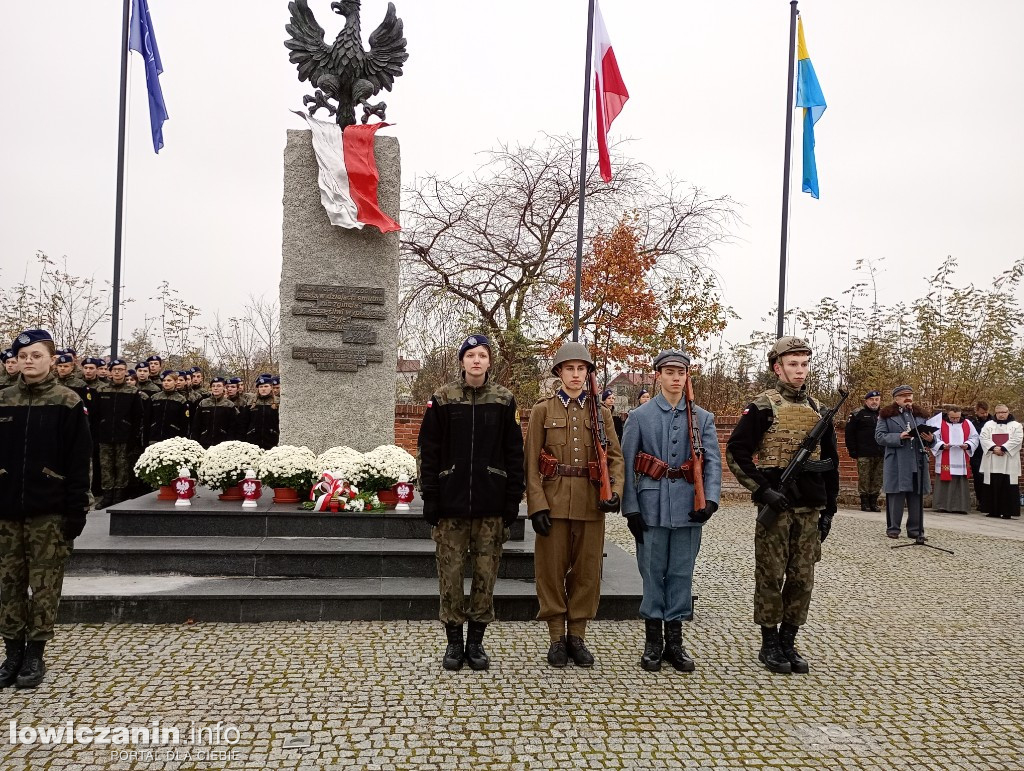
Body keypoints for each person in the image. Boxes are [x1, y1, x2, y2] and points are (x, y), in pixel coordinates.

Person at [726, 336, 839, 675]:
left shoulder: (819, 410)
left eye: (804, 364)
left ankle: (790, 640)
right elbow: (737, 453)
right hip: (777, 508)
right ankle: (769, 642)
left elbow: (831, 462)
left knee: (802, 579)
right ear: (778, 367)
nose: (799, 371)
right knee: (771, 576)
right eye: (792, 364)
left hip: (810, 508)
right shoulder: (763, 406)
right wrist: (763, 491)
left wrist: (829, 510)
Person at [416, 335, 525, 671]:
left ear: (490, 362)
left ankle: (476, 643)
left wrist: (512, 501)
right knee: (449, 576)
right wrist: (430, 496)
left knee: (485, 576)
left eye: (482, 355)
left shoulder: (505, 401)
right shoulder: (443, 399)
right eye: (470, 355)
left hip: (491, 506)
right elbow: (428, 451)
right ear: (462, 361)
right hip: (451, 506)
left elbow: (514, 455)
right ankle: (453, 644)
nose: (476, 361)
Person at [0, 329, 92, 689]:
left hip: (48, 512)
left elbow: (80, 459)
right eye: (23, 356)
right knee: (8, 584)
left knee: (44, 585)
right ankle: (12, 654)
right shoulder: (3, 400)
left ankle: (35, 655)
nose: (28, 361)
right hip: (6, 511)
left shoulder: (67, 401)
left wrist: (76, 510)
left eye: (36, 355)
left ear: (52, 360)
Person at [621, 350, 721, 672]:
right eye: (669, 372)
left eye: (681, 372)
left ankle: (674, 644)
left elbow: (713, 464)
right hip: (650, 506)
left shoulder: (702, 418)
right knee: (651, 573)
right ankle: (653, 642)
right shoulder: (639, 417)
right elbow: (625, 464)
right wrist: (630, 508)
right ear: (658, 375)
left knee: (681, 573)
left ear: (687, 377)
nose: (676, 377)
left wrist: (711, 502)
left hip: (689, 506)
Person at [525, 341, 624, 668]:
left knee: (586, 572)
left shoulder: (602, 412)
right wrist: (536, 504)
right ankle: (556, 637)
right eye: (570, 368)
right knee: (551, 571)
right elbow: (531, 463)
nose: (576, 374)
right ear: (559, 372)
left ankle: (577, 635)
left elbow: (615, 458)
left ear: (589, 373)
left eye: (582, 369)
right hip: (553, 501)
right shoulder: (543, 410)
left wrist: (615, 493)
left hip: (590, 502)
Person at [875, 385, 936, 540]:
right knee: (896, 495)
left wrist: (931, 439)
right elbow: (880, 437)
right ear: (896, 399)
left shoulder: (921, 415)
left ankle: (915, 530)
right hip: (897, 461)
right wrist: (898, 437)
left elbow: (931, 438)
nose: (908, 398)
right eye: (903, 396)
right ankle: (893, 529)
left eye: (910, 395)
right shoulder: (886, 415)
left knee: (916, 496)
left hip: (917, 461)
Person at [92, 359, 144, 508]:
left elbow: (137, 416)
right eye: (114, 369)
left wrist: (133, 437)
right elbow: (95, 415)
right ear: (110, 371)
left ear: (125, 371)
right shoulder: (101, 390)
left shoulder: (132, 391)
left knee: (122, 466)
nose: (117, 372)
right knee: (106, 466)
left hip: (124, 435)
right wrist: (97, 432)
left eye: (121, 369)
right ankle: (107, 496)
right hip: (105, 435)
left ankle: (119, 496)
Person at [926, 406, 979, 514]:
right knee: (944, 481)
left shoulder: (967, 423)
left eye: (957, 417)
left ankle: (961, 506)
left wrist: (968, 445)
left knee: (960, 482)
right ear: (948, 415)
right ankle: (942, 505)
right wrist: (941, 445)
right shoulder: (940, 423)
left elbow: (975, 437)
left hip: (961, 456)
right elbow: (934, 437)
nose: (955, 420)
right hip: (946, 454)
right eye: (952, 417)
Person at [978, 404, 1022, 519]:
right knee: (992, 484)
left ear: (1008, 412)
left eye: (1004, 412)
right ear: (995, 413)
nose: (1001, 415)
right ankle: (993, 511)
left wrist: (1003, 448)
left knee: (1008, 485)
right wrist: (994, 448)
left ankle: (1007, 511)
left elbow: (1017, 440)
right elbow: (983, 438)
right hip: (992, 459)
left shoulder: (1016, 425)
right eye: (999, 413)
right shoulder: (988, 425)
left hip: (1008, 460)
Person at [844, 390, 884, 511]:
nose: (874, 402)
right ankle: (864, 503)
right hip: (864, 452)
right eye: (871, 400)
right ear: (866, 401)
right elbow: (849, 434)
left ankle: (874, 502)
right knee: (864, 478)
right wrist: (852, 450)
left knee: (878, 478)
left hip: (880, 452)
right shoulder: (858, 414)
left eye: (877, 399)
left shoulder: (883, 415)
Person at [192, 377, 240, 448]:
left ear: (224, 387)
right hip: (204, 442)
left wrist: (229, 442)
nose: (215, 388)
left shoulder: (229, 405)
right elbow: (196, 425)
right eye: (213, 386)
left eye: (218, 386)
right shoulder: (203, 403)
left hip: (222, 444)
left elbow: (232, 427)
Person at [146, 370, 191, 445]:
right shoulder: (155, 398)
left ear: (175, 382)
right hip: (154, 438)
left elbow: (185, 423)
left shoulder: (181, 400)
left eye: (169, 380)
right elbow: (147, 419)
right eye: (164, 380)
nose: (166, 382)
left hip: (172, 441)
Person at [243, 375, 280, 450]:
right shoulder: (250, 403)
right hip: (253, 441)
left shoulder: (278, 402)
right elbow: (244, 423)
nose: (263, 389)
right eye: (261, 387)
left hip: (272, 440)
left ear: (271, 387)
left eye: (266, 386)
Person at [969, 401, 991, 512]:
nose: (984, 415)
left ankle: (989, 501)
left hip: (989, 453)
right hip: (977, 454)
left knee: (990, 478)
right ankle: (981, 501)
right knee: (978, 479)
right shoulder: (972, 422)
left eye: (986, 412)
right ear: (976, 411)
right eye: (982, 413)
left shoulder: (992, 421)